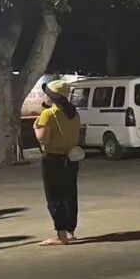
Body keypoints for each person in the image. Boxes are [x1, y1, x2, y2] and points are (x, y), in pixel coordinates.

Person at [33, 80, 82, 246]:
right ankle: (70, 231)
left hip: (53, 158)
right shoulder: (74, 113)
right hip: (71, 159)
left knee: (54, 197)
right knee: (70, 195)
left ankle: (61, 235)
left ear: (52, 97)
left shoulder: (48, 114)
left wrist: (36, 128)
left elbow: (43, 138)